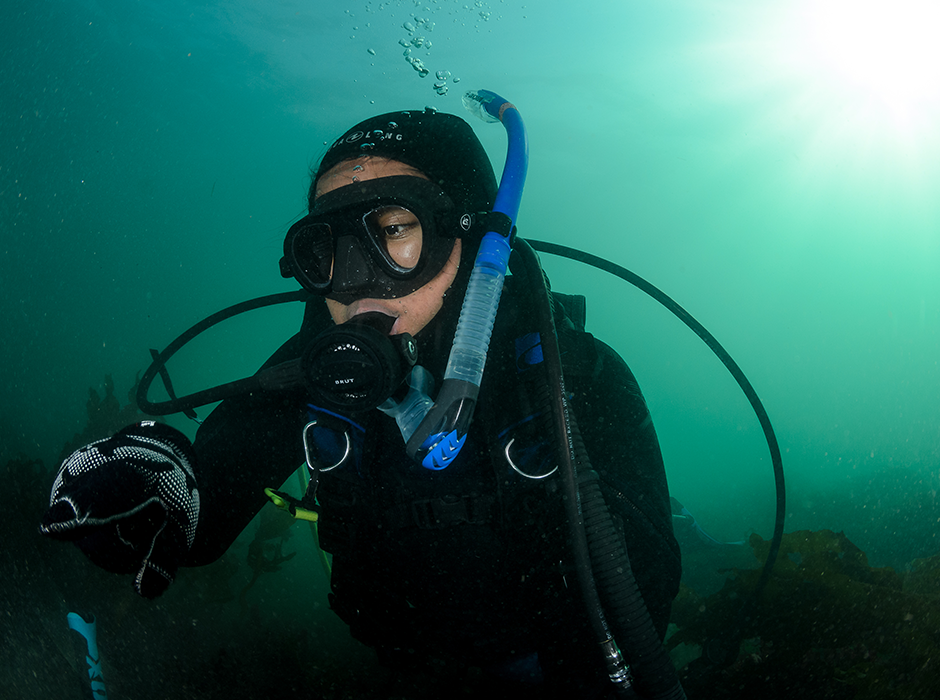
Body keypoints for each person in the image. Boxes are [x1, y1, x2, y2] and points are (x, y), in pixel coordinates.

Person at [41, 105, 682, 698]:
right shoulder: (315, 374)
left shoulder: (575, 376)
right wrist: (154, 489)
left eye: (393, 231)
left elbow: (645, 597)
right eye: (326, 250)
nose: (352, 281)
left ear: (473, 236)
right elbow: (205, 505)